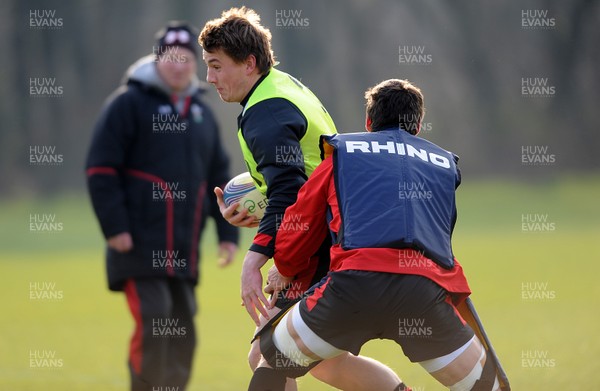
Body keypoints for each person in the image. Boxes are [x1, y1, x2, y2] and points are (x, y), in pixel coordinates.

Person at [198, 7, 406, 391]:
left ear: (249, 63)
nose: (209, 78)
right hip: (335, 230)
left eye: (216, 66)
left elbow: (290, 189)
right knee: (316, 359)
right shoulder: (280, 87)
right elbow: (298, 179)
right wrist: (257, 211)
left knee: (271, 352)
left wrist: (255, 257)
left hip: (320, 241)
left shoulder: (265, 111)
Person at [248, 79, 502, 391]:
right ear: (418, 125)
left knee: (271, 361)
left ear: (369, 122)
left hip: (351, 289)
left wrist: (285, 268)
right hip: (422, 294)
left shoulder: (341, 155)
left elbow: (298, 223)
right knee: (485, 385)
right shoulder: (444, 165)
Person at [86, 21, 238, 391]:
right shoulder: (128, 104)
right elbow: (100, 169)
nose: (178, 65)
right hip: (138, 245)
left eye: (186, 58)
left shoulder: (200, 112)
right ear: (156, 61)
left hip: (183, 248)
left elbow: (220, 174)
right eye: (170, 57)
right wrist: (115, 228)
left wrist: (227, 233)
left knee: (184, 329)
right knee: (156, 321)